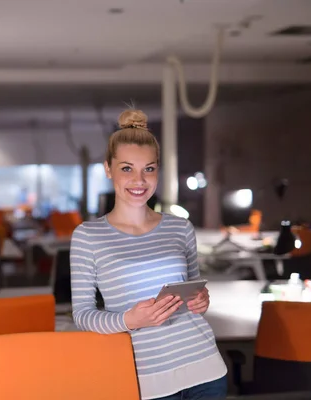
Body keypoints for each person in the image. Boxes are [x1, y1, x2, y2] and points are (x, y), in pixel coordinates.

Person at [70, 109, 227, 400]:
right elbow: (82, 315)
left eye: (149, 169)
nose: (139, 180)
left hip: (205, 368)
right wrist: (129, 320)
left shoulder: (180, 227)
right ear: (108, 169)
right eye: (127, 168)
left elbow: (194, 298)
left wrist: (201, 301)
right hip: (146, 377)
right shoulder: (88, 236)